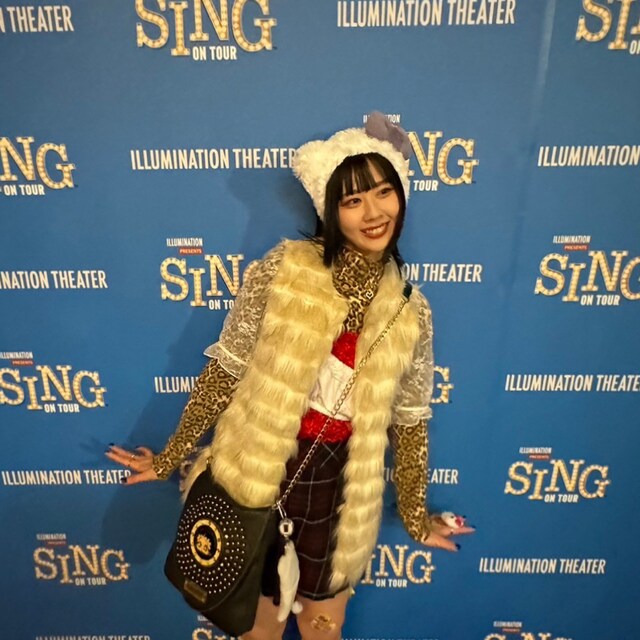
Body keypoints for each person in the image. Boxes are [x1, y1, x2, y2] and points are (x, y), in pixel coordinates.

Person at [106, 112, 473, 640]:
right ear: (330, 209)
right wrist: (168, 458)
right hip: (261, 474)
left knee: (324, 626)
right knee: (258, 627)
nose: (374, 213)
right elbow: (226, 371)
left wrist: (415, 517)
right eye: (353, 200)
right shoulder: (282, 270)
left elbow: (409, 420)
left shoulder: (411, 309)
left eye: (384, 192)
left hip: (340, 488)